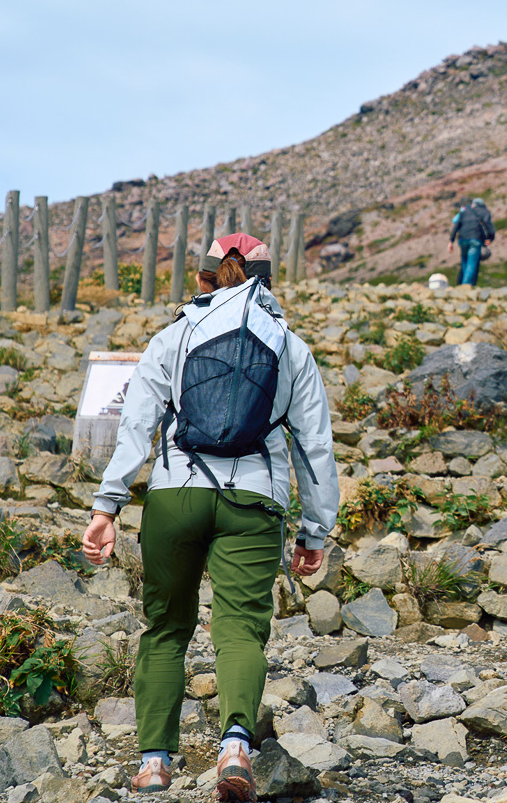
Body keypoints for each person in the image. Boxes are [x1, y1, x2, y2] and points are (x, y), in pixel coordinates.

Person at [82, 233, 339, 801]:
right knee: (240, 629)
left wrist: (108, 505)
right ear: (267, 280)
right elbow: (314, 446)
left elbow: (136, 427)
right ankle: (236, 748)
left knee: (167, 627)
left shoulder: (172, 337)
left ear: (202, 280)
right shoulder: (290, 345)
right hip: (253, 500)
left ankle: (153, 763)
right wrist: (314, 530)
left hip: (175, 496)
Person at [448, 196, 495, 286]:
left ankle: (462, 284)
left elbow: (456, 226)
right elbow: (488, 225)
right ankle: (466, 285)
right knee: (472, 263)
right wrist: (490, 238)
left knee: (464, 262)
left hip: (462, 239)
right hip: (475, 238)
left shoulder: (465, 212)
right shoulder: (484, 212)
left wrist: (451, 241)